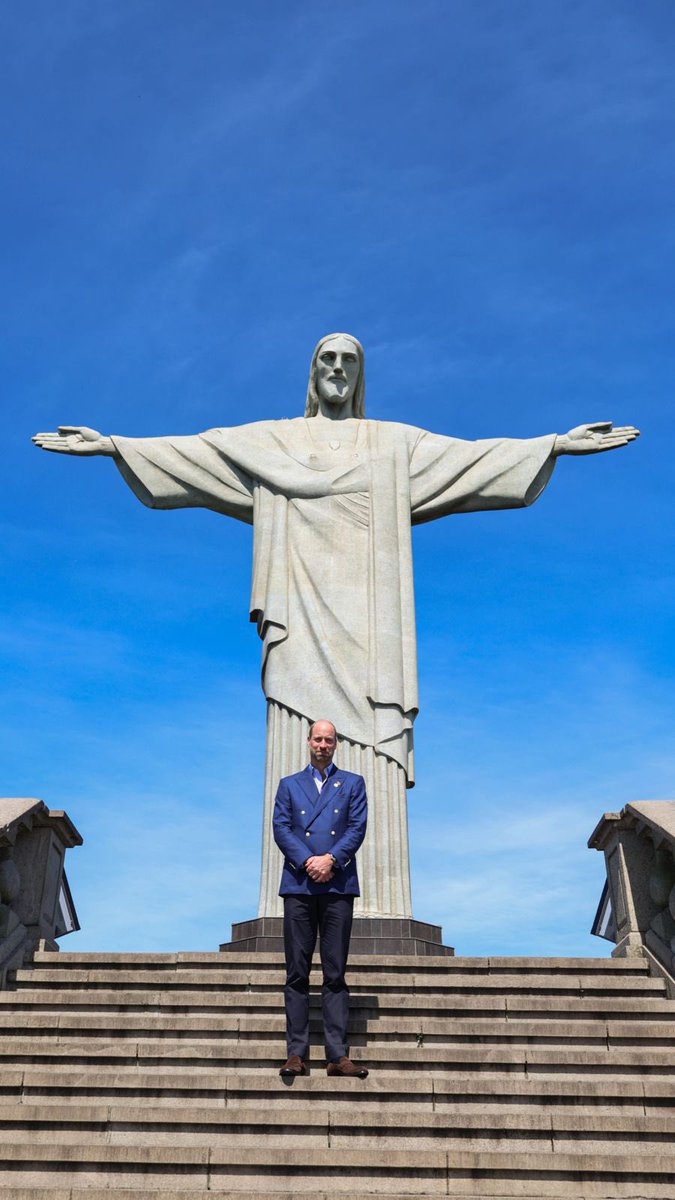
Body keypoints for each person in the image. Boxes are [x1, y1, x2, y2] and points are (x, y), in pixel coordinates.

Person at [32, 334, 639, 920]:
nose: (339, 368)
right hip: (298, 613)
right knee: (297, 738)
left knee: (372, 741)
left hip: (374, 625)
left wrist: (553, 445)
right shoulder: (273, 441)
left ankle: (375, 904)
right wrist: (114, 445)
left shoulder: (392, 444)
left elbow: (471, 456)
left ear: (361, 374)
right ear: (313, 370)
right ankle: (294, 900)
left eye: (351, 359)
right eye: (328, 358)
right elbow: (198, 452)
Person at [273, 718, 368, 1077]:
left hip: (337, 884)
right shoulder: (289, 785)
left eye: (329, 740)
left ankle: (336, 1055)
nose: (323, 745)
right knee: (297, 972)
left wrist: (331, 859)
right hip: (299, 884)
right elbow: (281, 827)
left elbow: (357, 827)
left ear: (336, 744)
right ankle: (296, 1053)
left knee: (335, 972)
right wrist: (307, 860)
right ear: (308, 741)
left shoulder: (353, 784)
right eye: (318, 739)